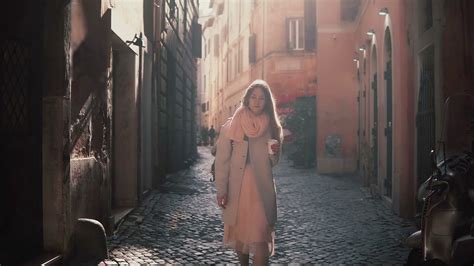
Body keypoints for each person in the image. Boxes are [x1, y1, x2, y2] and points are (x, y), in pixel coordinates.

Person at [214, 79, 283, 265]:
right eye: (254, 97)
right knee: (241, 235)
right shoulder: (232, 124)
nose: (257, 101)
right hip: (238, 187)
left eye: (262, 98)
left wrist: (274, 153)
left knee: (261, 234)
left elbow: (273, 162)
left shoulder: (272, 125)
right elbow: (222, 161)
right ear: (247, 99)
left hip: (262, 188)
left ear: (267, 101)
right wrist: (221, 190)